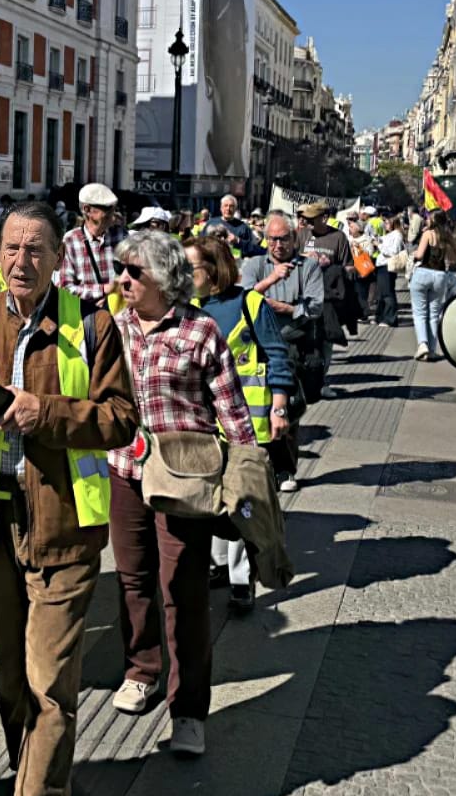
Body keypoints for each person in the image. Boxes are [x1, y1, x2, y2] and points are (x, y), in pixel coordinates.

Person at [0, 202, 136, 796]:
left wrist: (43, 413)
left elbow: (121, 419)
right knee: (12, 680)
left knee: (50, 689)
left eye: (35, 249)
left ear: (58, 257)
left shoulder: (92, 324)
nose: (21, 260)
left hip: (62, 529)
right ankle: (29, 779)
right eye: (12, 248)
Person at [108, 230, 253, 755]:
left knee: (184, 593)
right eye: (121, 269)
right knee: (132, 579)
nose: (123, 280)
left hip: (185, 478)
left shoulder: (200, 331)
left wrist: (247, 483)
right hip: (126, 470)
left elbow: (233, 413)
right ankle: (141, 671)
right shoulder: (114, 327)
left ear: (165, 279)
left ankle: (189, 708)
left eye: (134, 272)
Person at [189, 235, 297, 609]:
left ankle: (241, 580)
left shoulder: (250, 303)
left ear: (213, 269)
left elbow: (277, 355)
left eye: (190, 267)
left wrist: (279, 406)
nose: (183, 274)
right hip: (204, 427)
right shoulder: (188, 307)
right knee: (212, 499)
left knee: (243, 503)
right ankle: (219, 566)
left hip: (249, 426)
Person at [300, 201, 353, 398]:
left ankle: (322, 382)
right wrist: (305, 256)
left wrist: (332, 266)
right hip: (304, 297)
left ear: (324, 218)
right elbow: (289, 259)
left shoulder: (338, 237)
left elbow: (349, 267)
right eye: (306, 219)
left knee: (326, 342)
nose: (307, 222)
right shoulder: (302, 235)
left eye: (311, 218)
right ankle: (306, 383)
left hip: (328, 300)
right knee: (305, 341)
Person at [58, 182, 124, 310]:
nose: (113, 213)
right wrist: (102, 290)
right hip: (85, 316)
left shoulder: (122, 235)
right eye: (107, 208)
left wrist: (110, 297)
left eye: (114, 208)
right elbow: (65, 288)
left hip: (119, 315)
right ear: (87, 210)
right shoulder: (70, 240)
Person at [409, 209, 456, 362]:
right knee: (434, 314)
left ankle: (422, 344)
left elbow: (419, 255)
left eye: (428, 218)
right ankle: (431, 350)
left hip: (423, 273)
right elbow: (454, 259)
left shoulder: (428, 234)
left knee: (419, 313)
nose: (426, 220)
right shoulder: (447, 237)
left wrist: (413, 255)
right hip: (440, 276)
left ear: (433, 220)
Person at [373, 215, 405, 327]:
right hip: (381, 265)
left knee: (388, 292)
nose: (385, 225)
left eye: (387, 223)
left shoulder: (397, 235)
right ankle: (380, 317)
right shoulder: (390, 234)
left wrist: (379, 245)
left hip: (388, 265)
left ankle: (390, 319)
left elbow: (393, 251)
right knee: (381, 293)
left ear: (393, 223)